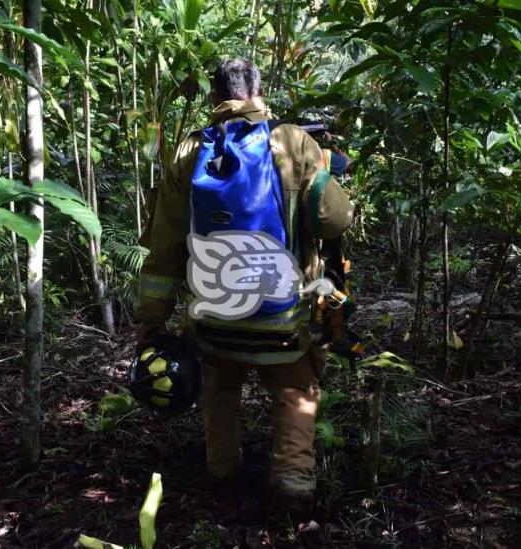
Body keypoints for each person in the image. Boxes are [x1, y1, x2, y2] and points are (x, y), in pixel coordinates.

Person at [134, 58, 354, 516]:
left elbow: (164, 248)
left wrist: (150, 321)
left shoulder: (188, 151)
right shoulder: (294, 141)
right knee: (297, 392)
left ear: (215, 98)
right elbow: (335, 219)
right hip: (283, 319)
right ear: (258, 92)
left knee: (219, 391)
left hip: (213, 317)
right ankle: (293, 482)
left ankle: (222, 471)